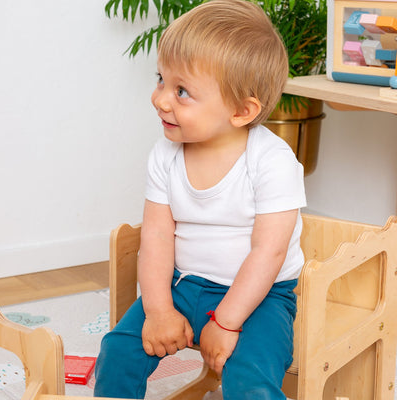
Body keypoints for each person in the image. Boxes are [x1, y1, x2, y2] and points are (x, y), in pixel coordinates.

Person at [94, 0, 306, 398]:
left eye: (182, 91)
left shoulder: (273, 161)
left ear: (242, 111)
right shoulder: (165, 154)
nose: (161, 99)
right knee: (118, 350)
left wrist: (227, 323)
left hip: (259, 294)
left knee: (252, 375)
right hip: (183, 284)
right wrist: (158, 311)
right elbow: (156, 237)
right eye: (161, 79)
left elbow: (269, 253)